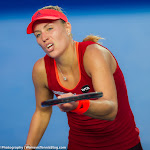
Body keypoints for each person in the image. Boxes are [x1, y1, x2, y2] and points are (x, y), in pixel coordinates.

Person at [24, 5, 143, 150]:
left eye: (49, 28)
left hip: (123, 145)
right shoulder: (40, 70)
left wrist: (77, 104)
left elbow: (111, 109)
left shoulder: (94, 54)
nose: (44, 37)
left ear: (67, 28)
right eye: (37, 34)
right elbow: (42, 112)